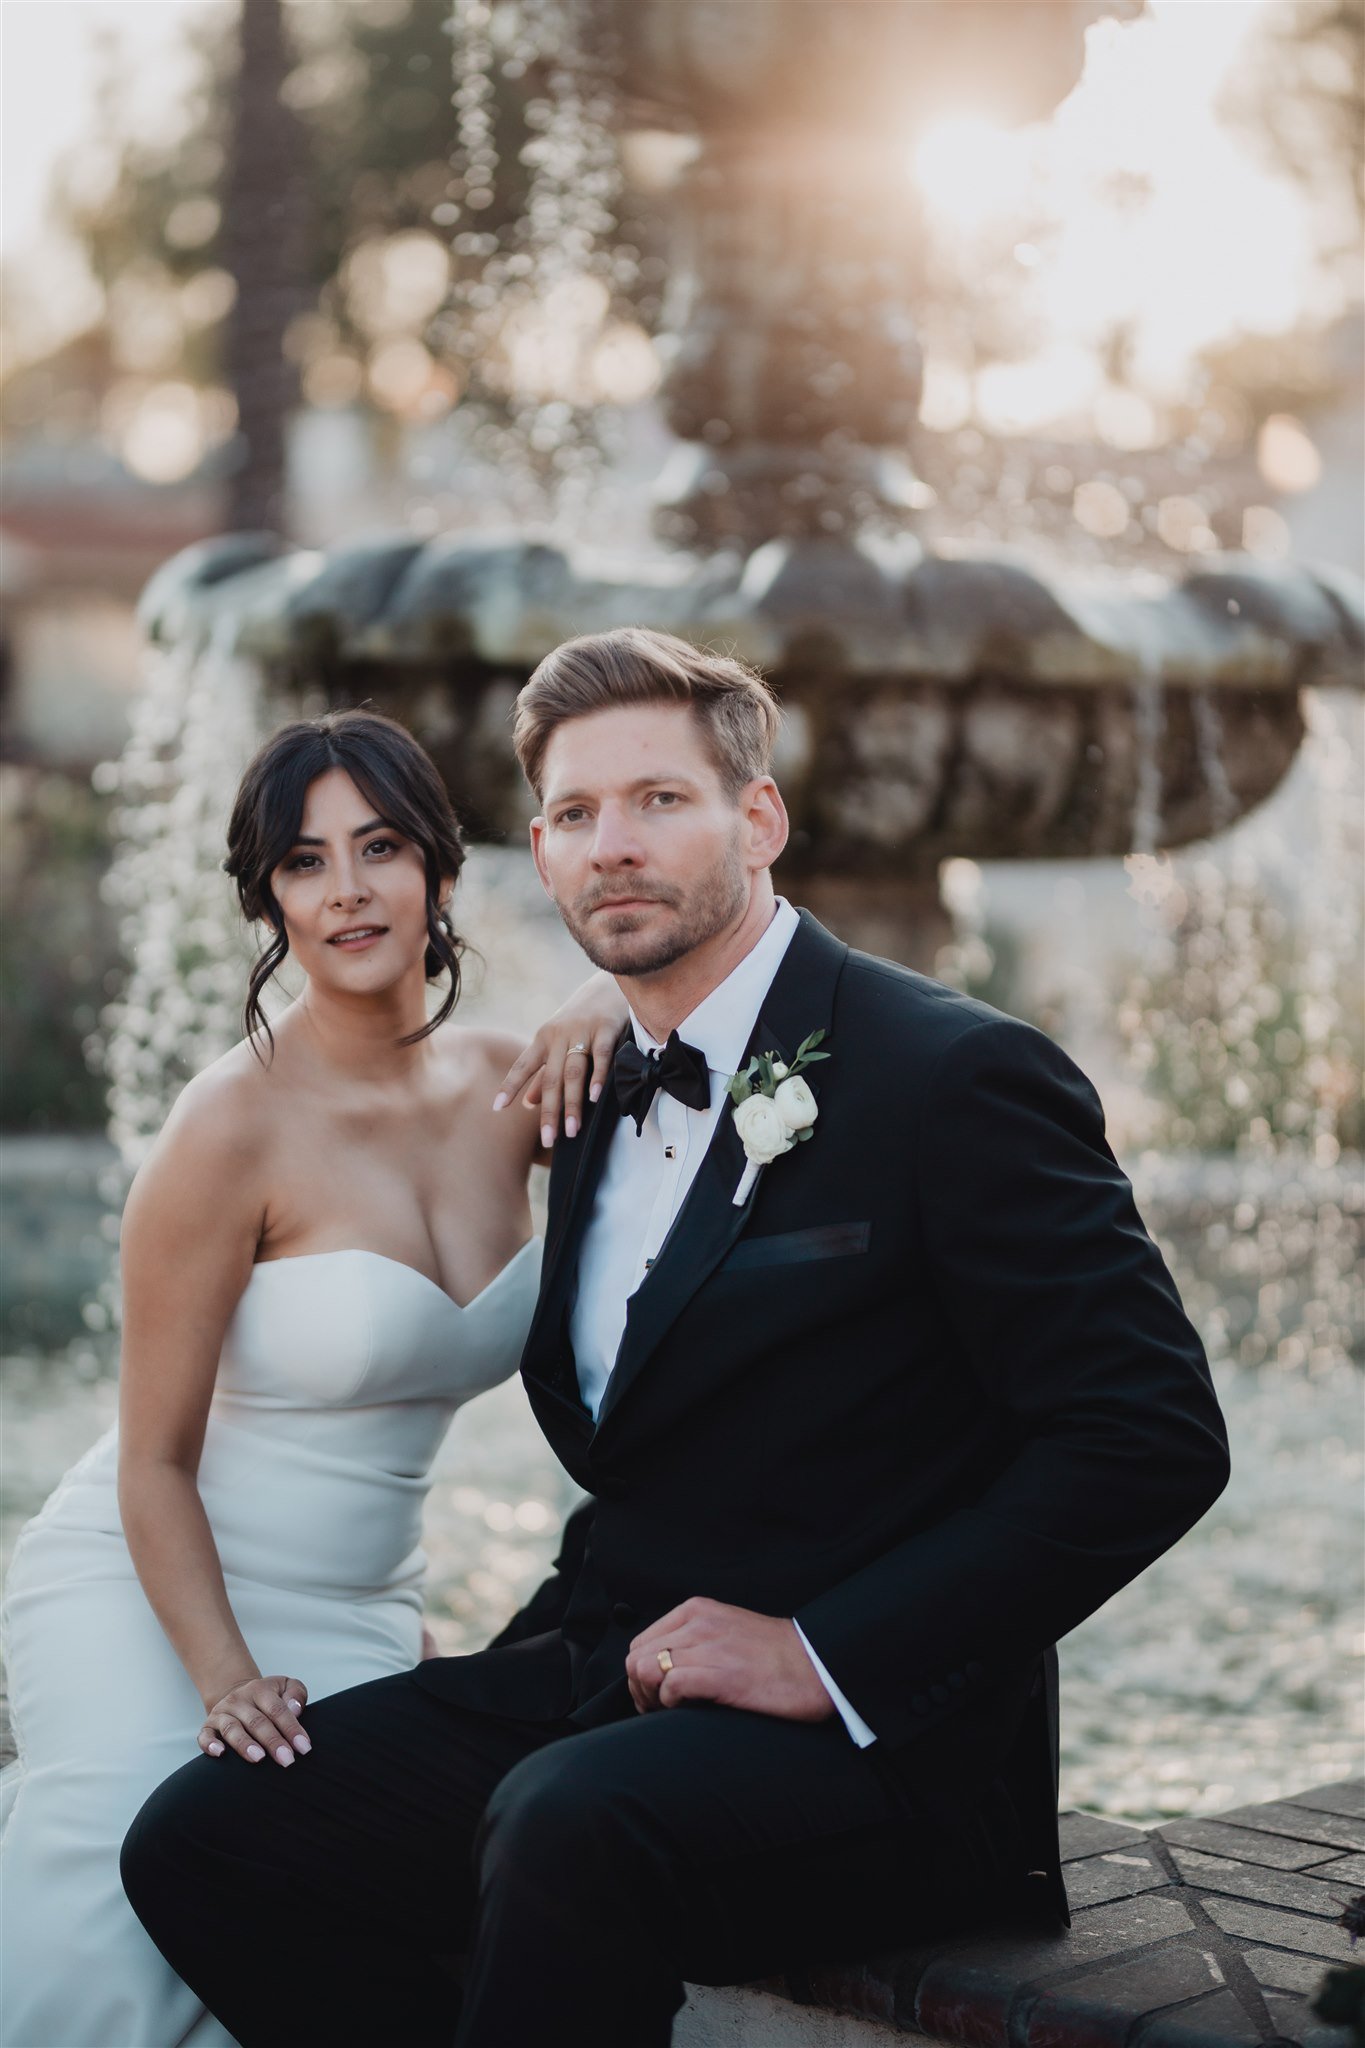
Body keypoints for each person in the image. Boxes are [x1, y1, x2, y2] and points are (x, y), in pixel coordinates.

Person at [121, 628, 1231, 2048]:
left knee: (567, 1825)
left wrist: (821, 1653)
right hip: (600, 1674)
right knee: (209, 1838)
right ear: (537, 847)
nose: (613, 847)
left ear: (755, 817)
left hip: (878, 1744)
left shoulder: (950, 1075)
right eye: (577, 816)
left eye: (658, 801)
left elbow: (1148, 1439)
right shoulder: (588, 1085)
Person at [0, 708, 625, 2048]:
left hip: (355, 1613)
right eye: (302, 862)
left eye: (380, 847)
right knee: (128, 1914)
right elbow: (152, 1459)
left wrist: (603, 996)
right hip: (157, 1584)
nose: (345, 889)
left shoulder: (514, 1086)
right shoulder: (227, 1128)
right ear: (268, 900)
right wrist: (227, 1679)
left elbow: (697, 1012)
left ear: (440, 874)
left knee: (313, 1917)